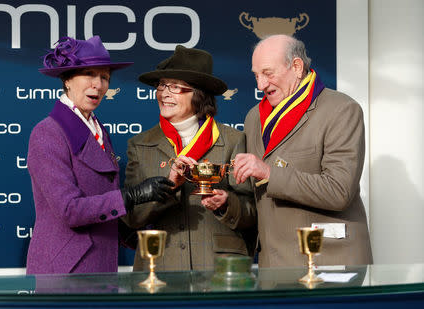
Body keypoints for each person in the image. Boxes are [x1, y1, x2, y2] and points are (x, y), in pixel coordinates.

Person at [26, 36, 175, 274]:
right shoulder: (47, 132)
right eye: (89, 74)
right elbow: (70, 210)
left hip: (100, 264)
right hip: (67, 269)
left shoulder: (98, 129)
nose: (98, 84)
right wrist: (133, 195)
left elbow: (101, 200)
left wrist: (132, 235)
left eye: (104, 77)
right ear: (67, 79)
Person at [233, 34, 373, 267]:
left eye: (268, 73)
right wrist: (224, 202)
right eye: (256, 75)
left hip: (326, 261)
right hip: (272, 265)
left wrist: (270, 173)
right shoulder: (253, 117)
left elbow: (339, 191)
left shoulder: (342, 110)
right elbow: (254, 197)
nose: (260, 85)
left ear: (297, 67)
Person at [122, 45, 257, 271]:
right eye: (162, 85)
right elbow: (132, 218)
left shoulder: (234, 140)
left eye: (174, 87)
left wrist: (226, 204)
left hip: (221, 267)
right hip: (161, 265)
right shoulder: (139, 145)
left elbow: (254, 211)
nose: (164, 93)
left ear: (198, 93)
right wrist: (170, 187)